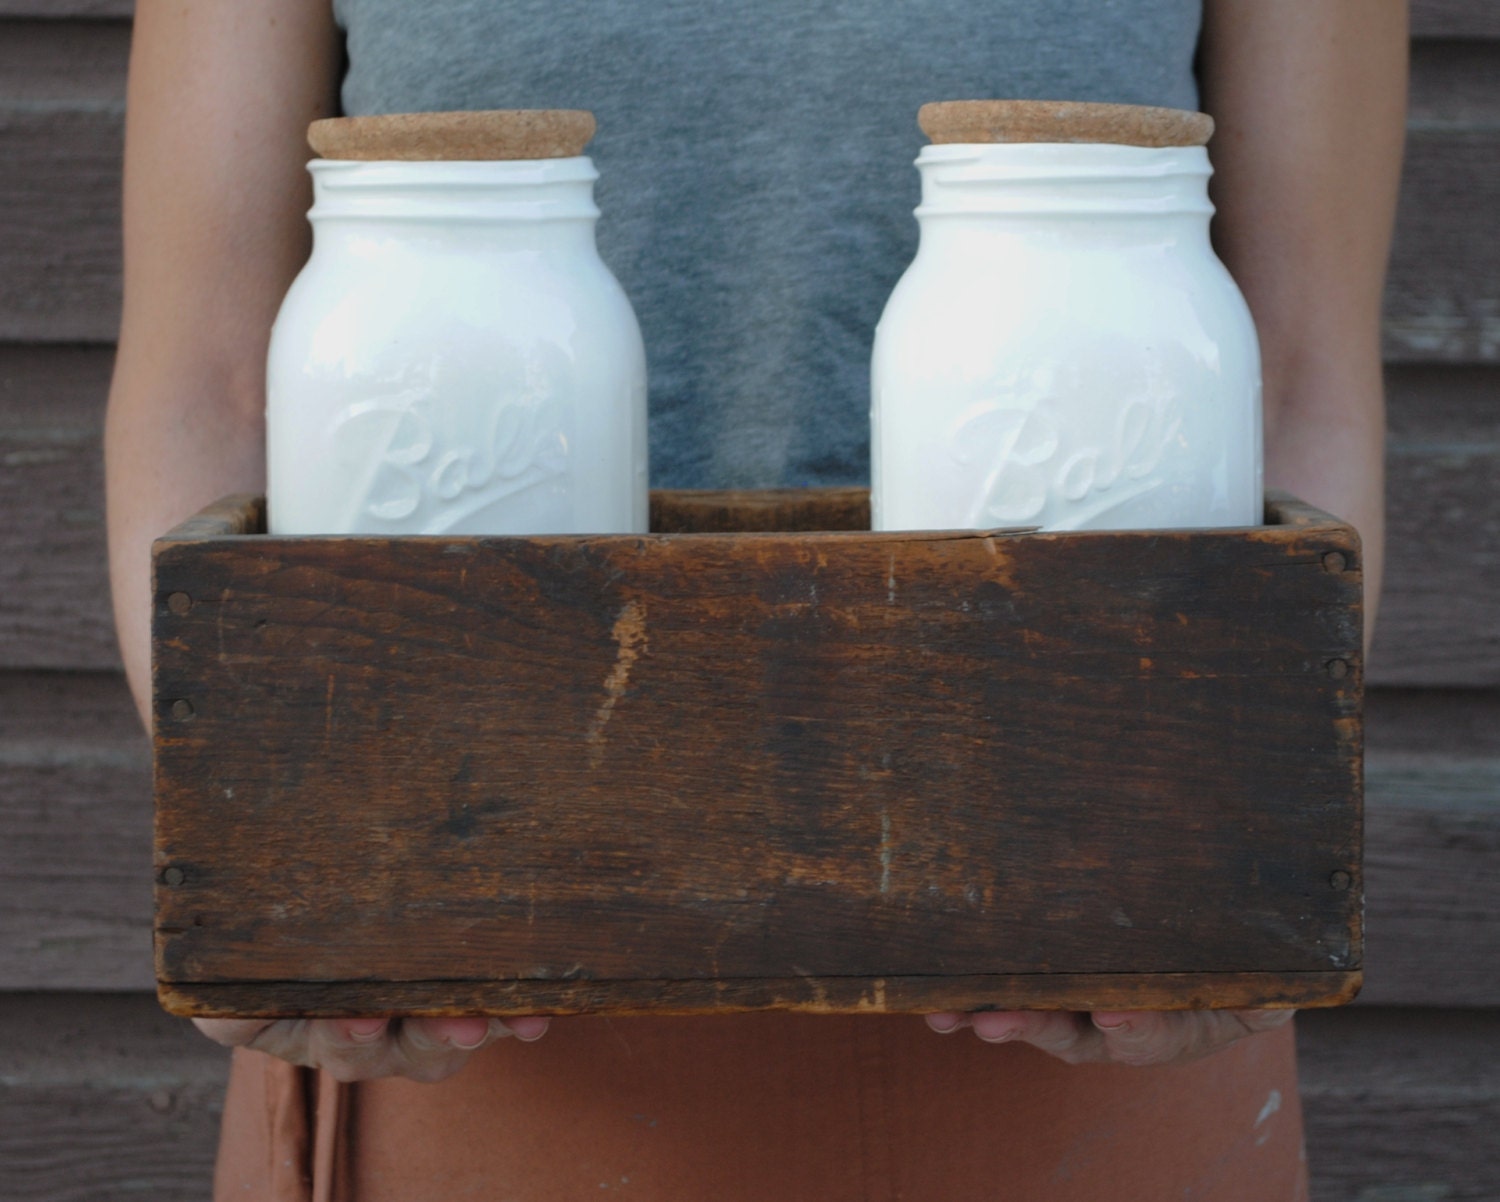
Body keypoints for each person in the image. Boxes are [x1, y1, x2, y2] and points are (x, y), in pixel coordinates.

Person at [106, 1, 1405, 1197]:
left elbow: (1299, 377)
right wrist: (267, 850)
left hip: (1102, 983)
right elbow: (209, 381)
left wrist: (1244, 839)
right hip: (451, 998)